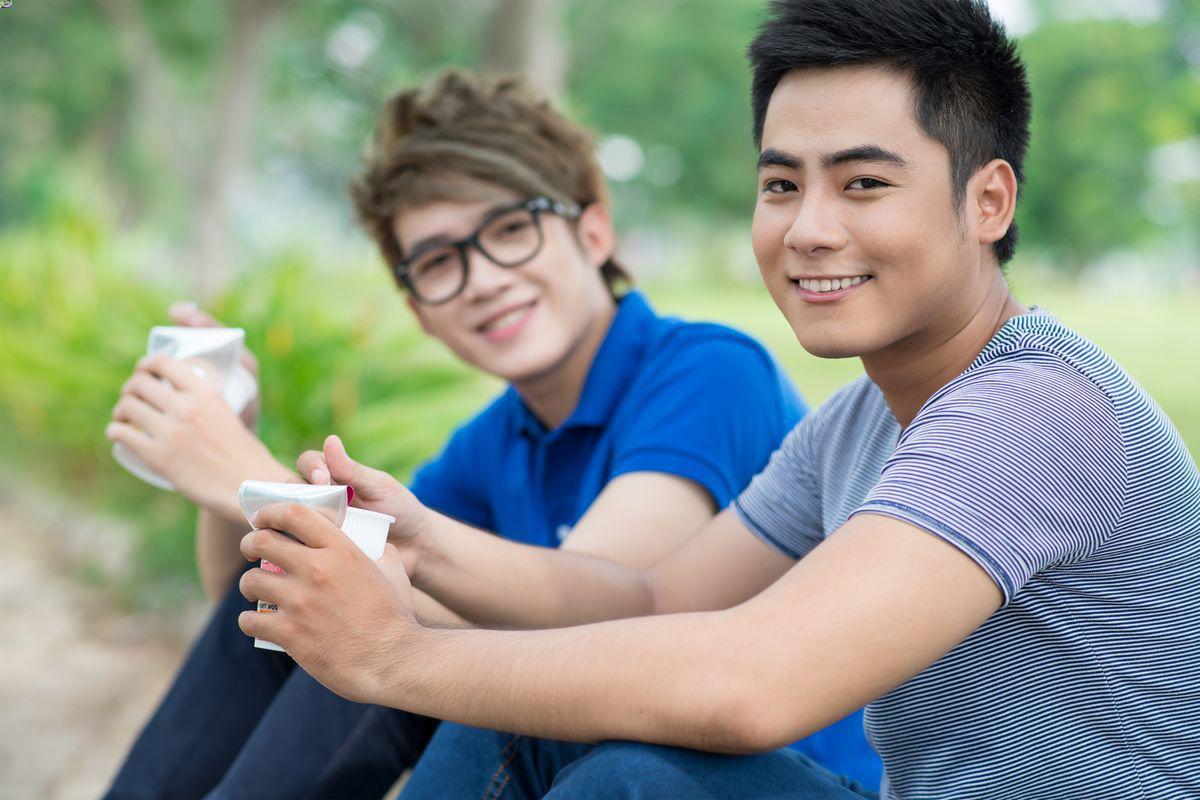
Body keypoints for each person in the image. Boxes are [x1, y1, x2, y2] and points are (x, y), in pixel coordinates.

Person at [236, 1, 1200, 798]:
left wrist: (393, 656)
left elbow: (755, 684)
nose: (808, 229)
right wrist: (425, 545)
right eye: (781, 185)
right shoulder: (858, 422)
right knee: (543, 721)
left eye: (864, 183)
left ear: (988, 202)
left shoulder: (1039, 407)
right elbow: (651, 599)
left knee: (632, 776)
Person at [104, 69, 881, 799]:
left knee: (405, 635)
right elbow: (257, 623)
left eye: (509, 230)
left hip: (742, 771)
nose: (482, 279)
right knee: (325, 612)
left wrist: (243, 474)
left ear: (594, 231)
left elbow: (610, 614)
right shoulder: (491, 444)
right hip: (601, 752)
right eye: (439, 262)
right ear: (417, 308)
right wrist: (226, 474)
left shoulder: (709, 370)